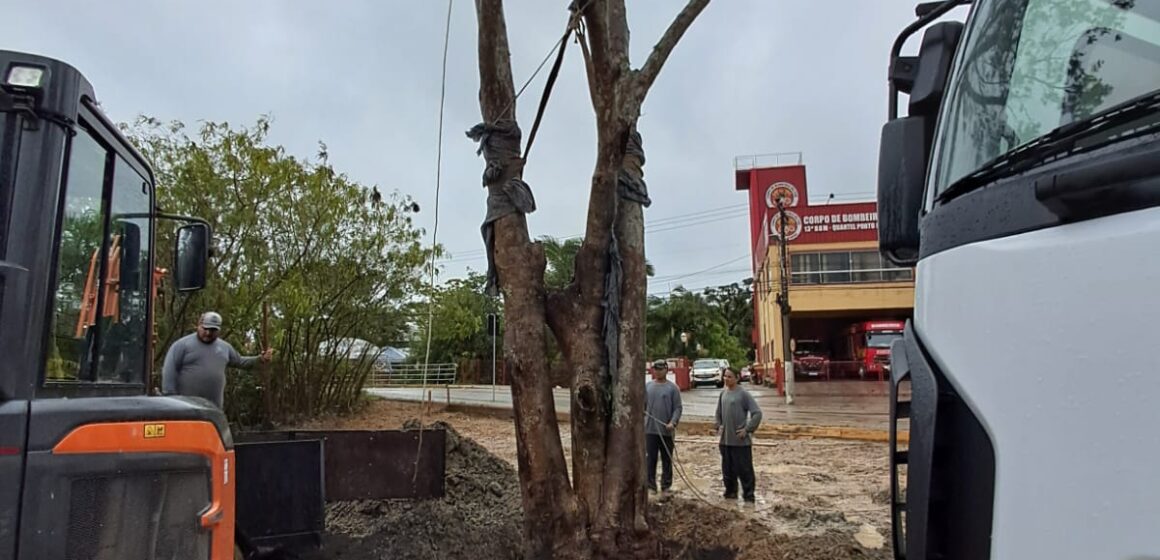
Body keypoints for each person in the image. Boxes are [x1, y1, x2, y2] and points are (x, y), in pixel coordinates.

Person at [161, 311, 273, 409]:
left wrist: (260, 359)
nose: (208, 333)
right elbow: (169, 370)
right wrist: (170, 399)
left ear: (218, 330)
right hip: (186, 407)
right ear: (198, 325)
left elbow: (240, 361)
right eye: (205, 329)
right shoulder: (182, 345)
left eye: (213, 330)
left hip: (213, 408)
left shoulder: (224, 347)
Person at [714, 368, 763, 503]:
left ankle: (748, 496)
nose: (726, 379)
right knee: (728, 471)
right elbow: (718, 412)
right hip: (725, 441)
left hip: (740, 442)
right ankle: (730, 494)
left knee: (745, 471)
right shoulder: (723, 394)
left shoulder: (743, 394)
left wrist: (747, 430)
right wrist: (718, 424)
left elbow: (757, 413)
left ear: (736, 378)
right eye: (725, 376)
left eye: (729, 376)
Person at [645, 359, 683, 498]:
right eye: (656, 369)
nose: (658, 371)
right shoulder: (648, 387)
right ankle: (650, 486)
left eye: (661, 369)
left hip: (666, 431)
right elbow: (642, 406)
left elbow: (678, 408)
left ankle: (666, 486)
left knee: (667, 459)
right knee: (650, 459)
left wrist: (673, 422)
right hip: (650, 430)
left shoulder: (673, 388)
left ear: (666, 370)